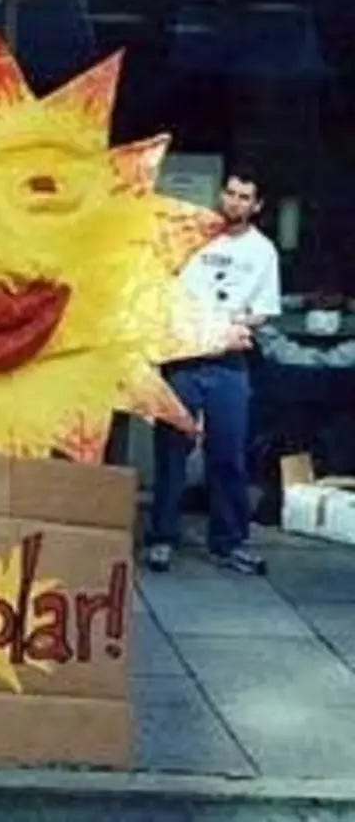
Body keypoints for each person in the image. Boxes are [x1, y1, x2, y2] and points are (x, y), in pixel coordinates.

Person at [147, 165, 281, 575]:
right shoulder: (193, 236)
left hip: (228, 363)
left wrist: (232, 326)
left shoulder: (262, 251)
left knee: (228, 453)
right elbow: (163, 289)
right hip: (184, 356)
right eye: (231, 193)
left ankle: (229, 542)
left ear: (256, 206)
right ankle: (162, 537)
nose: (234, 202)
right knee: (172, 448)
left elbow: (263, 311)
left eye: (244, 197)